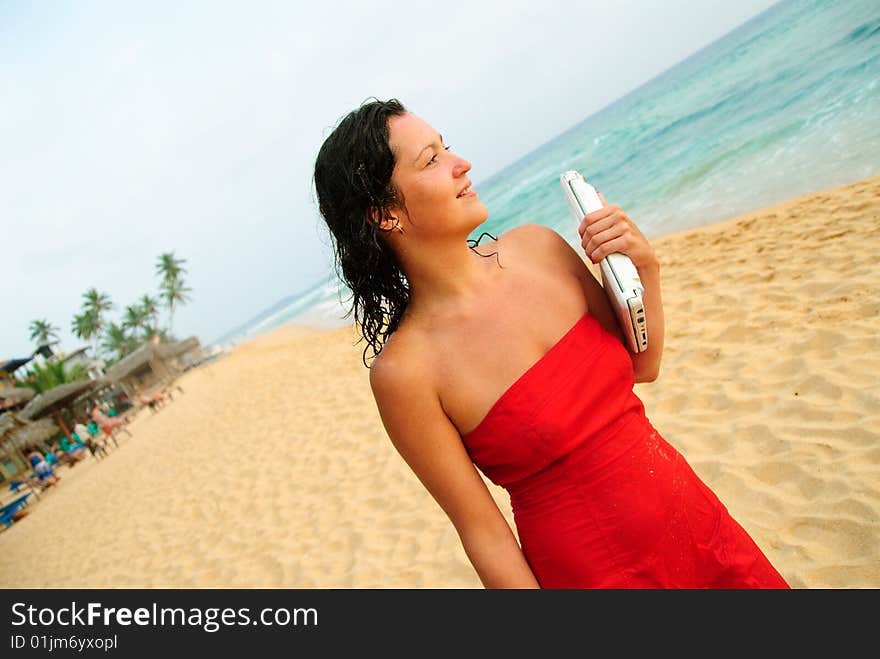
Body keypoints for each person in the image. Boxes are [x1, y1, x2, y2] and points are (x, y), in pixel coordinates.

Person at [312, 98, 790, 589]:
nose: (462, 164)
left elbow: (641, 365)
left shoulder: (540, 247)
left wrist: (645, 269)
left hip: (698, 522)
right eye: (431, 160)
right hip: (598, 577)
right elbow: (484, 535)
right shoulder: (406, 372)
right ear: (385, 214)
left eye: (446, 147)